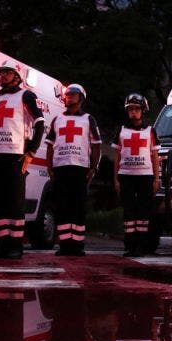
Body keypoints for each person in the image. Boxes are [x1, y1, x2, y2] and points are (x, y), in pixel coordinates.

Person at [0, 60, 45, 259]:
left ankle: (15, 246)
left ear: (16, 76)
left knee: (14, 202)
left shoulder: (25, 96)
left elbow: (40, 124)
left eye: (6, 73)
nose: (2, 76)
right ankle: (1, 245)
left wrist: (31, 152)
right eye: (1, 73)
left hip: (16, 156)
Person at [45, 84, 101, 256]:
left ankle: (77, 245)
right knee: (62, 207)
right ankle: (64, 244)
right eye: (67, 94)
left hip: (80, 169)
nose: (69, 97)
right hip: (61, 168)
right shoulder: (57, 119)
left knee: (78, 207)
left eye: (73, 94)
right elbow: (50, 145)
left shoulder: (88, 119)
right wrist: (49, 167)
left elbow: (97, 145)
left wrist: (93, 167)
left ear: (81, 98)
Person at [112, 93, 160, 257]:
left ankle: (141, 245)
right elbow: (117, 156)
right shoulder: (121, 130)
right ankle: (130, 244)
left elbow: (154, 156)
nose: (133, 112)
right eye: (130, 109)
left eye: (136, 109)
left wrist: (156, 178)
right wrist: (116, 180)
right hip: (126, 176)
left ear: (143, 110)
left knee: (143, 212)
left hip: (145, 176)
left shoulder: (150, 131)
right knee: (129, 212)